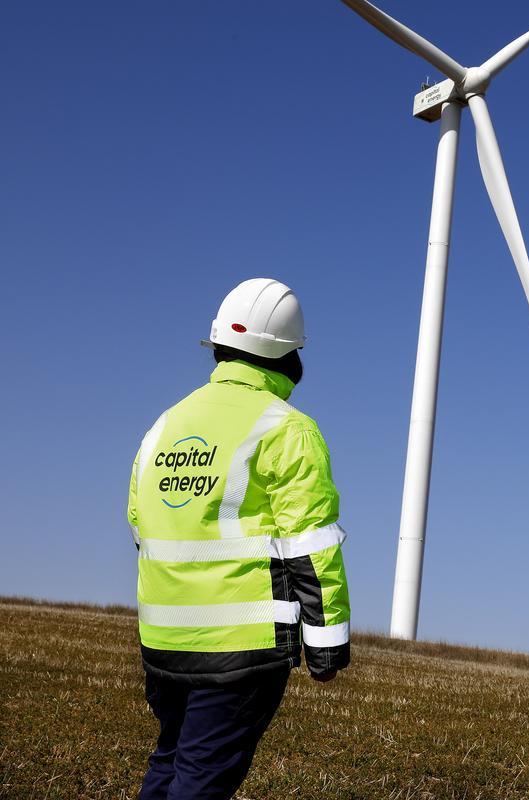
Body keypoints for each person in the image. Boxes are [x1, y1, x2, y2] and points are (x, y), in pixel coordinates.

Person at [127, 278, 351, 800]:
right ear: (288, 357)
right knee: (202, 780)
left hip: (163, 641)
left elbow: (141, 521)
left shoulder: (166, 424)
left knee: (172, 759)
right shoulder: (286, 429)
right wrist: (326, 644)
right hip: (240, 649)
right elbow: (311, 544)